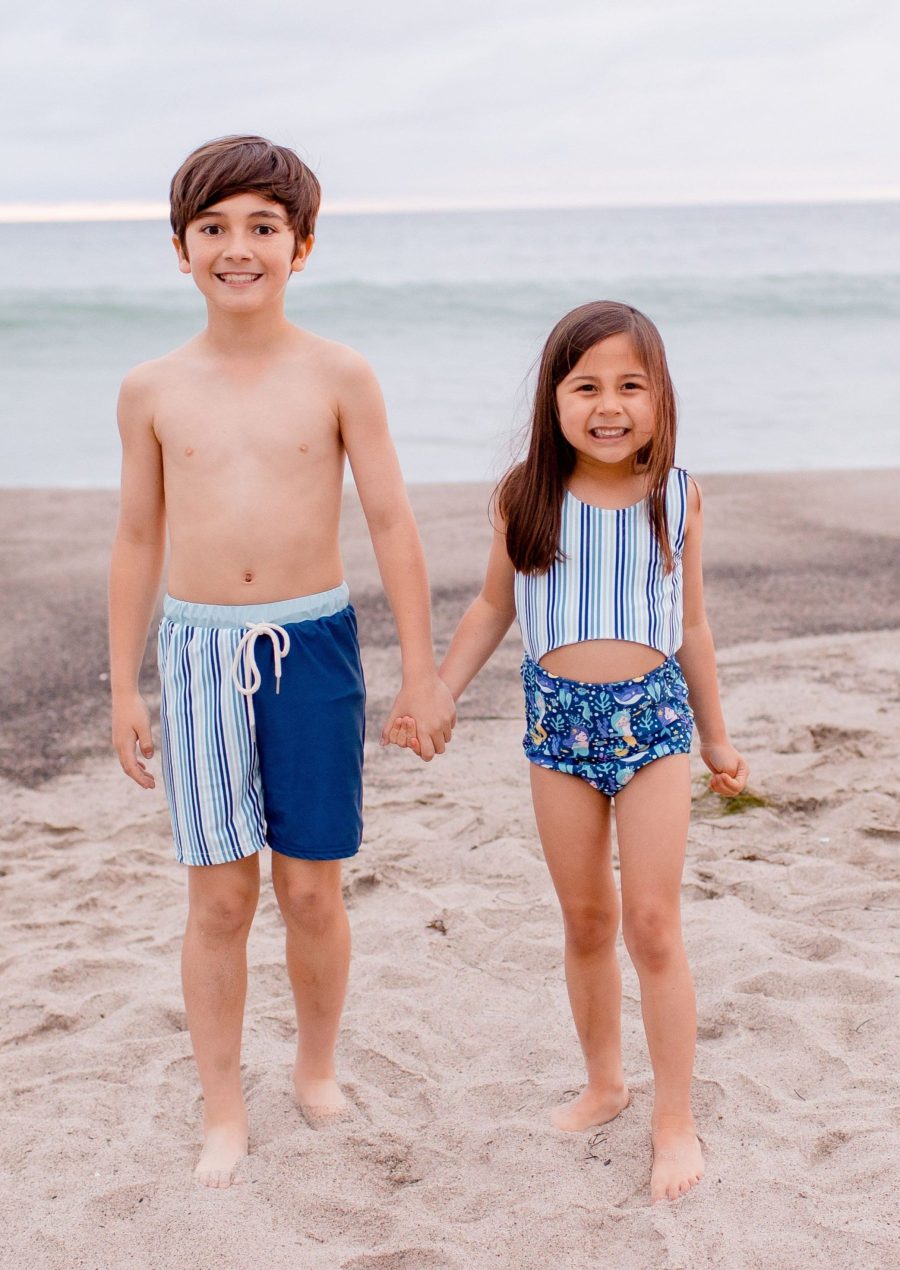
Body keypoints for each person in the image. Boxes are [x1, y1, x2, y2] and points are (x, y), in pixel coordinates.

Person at [109, 134, 456, 1189]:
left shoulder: (339, 373)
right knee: (219, 898)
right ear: (181, 250)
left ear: (302, 245)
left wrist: (424, 670)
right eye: (213, 227)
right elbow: (135, 538)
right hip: (200, 652)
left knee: (312, 889)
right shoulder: (153, 389)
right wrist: (122, 683)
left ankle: (315, 1066)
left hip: (315, 648)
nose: (237, 247)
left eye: (262, 226)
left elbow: (392, 521)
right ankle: (224, 1109)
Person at [387, 300, 749, 1203]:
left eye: (632, 385)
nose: (609, 405)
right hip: (557, 728)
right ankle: (604, 1082)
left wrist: (716, 735)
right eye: (586, 385)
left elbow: (692, 624)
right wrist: (436, 687)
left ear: (661, 398)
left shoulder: (678, 493)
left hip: (653, 724)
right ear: (554, 399)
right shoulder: (526, 495)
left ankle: (675, 1119)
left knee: (653, 925)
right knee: (586, 921)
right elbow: (491, 609)